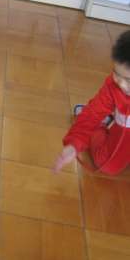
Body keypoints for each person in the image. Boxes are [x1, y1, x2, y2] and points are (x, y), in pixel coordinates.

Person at [54, 30, 130, 175]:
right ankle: (101, 124)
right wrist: (74, 144)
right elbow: (92, 114)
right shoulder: (113, 86)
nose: (120, 84)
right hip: (123, 131)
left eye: (129, 80)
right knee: (107, 165)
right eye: (116, 74)